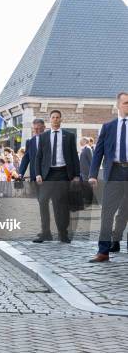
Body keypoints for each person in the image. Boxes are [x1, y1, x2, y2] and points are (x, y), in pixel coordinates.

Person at [88, 92, 128, 262]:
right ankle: (103, 252)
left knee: (125, 213)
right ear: (118, 105)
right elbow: (98, 153)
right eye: (126, 103)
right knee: (107, 213)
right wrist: (92, 174)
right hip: (114, 173)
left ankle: (116, 238)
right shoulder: (108, 127)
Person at [35, 110, 80, 243]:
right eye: (53, 117)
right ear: (50, 120)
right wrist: (38, 173)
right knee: (42, 200)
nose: (55, 119)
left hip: (62, 173)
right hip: (48, 174)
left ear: (60, 120)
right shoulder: (43, 136)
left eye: (57, 117)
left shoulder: (69, 136)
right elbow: (39, 157)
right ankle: (46, 233)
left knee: (60, 204)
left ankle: (62, 233)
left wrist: (76, 175)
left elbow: (74, 156)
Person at [79, 137, 94, 207]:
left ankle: (89, 201)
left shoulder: (88, 149)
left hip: (87, 172)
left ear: (85, 141)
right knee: (84, 187)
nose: (80, 142)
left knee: (88, 187)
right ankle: (85, 199)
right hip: (82, 172)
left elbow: (91, 161)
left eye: (81, 141)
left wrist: (92, 173)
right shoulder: (83, 149)